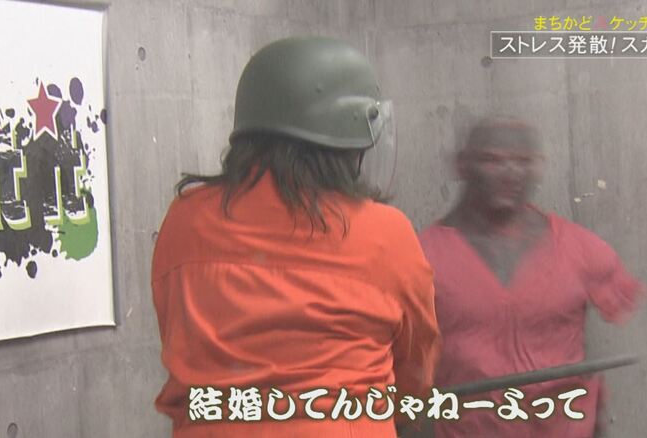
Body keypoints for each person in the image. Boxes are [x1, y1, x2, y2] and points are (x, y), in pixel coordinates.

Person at [151, 36, 440, 437]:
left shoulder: (185, 222)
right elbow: (415, 372)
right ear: (348, 143)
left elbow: (179, 336)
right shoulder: (385, 234)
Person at [418, 118, 647, 437]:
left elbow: (626, 314)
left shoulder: (580, 248)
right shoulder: (420, 257)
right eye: (492, 160)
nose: (510, 172)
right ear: (463, 165)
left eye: (522, 161)